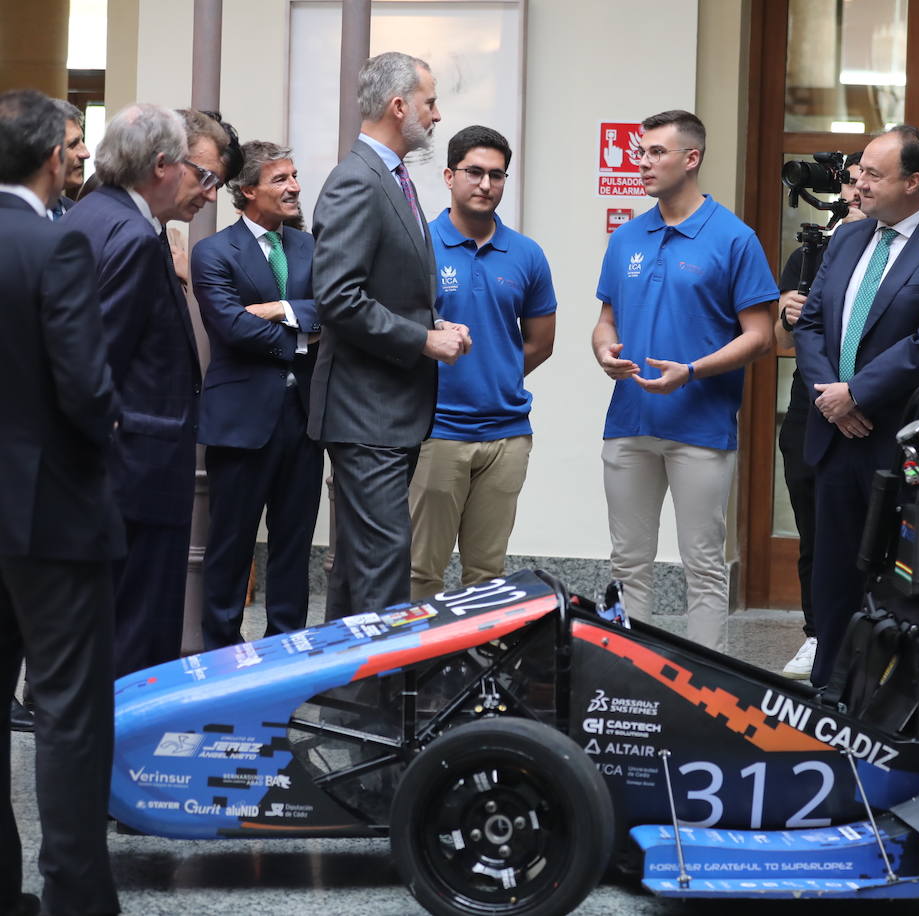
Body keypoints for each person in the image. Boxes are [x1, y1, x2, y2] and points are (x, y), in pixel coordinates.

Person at [793, 125, 919, 687]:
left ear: (914, 181)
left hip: (905, 442)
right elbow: (810, 325)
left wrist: (856, 393)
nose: (859, 184)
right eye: (859, 172)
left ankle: (895, 698)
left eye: (874, 175)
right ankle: (829, 689)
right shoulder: (849, 239)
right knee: (834, 578)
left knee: (904, 583)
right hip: (837, 436)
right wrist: (831, 396)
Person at [0, 87, 122, 916]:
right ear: (53, 159)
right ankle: (76, 896)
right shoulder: (56, 248)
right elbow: (85, 392)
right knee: (70, 713)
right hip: (52, 513)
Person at [592, 110, 776, 651]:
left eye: (655, 153)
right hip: (628, 423)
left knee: (702, 565)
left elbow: (760, 335)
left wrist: (691, 371)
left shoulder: (733, 238)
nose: (641, 162)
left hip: (701, 428)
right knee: (628, 562)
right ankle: (627, 676)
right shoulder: (627, 236)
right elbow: (606, 319)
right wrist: (604, 348)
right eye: (640, 152)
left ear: (690, 159)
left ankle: (706, 691)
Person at [62, 104, 235, 677]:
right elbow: (94, 365)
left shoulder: (91, 216)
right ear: (164, 165)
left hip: (116, 469)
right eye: (205, 177)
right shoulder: (134, 234)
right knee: (137, 637)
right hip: (135, 468)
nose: (210, 194)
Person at [310, 51, 470, 620]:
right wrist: (423, 341)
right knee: (383, 563)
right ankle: (379, 706)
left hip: (386, 410)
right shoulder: (357, 179)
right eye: (430, 103)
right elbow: (338, 298)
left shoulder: (390, 176)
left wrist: (431, 325)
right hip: (366, 411)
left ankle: (345, 700)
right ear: (399, 106)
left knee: (360, 566)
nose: (436, 116)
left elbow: (386, 291)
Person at [408, 126, 556, 597]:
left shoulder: (527, 254)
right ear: (449, 176)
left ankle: (476, 670)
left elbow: (538, 343)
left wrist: (494, 375)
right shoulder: (419, 244)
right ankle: (419, 671)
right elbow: (394, 330)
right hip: (436, 433)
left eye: (496, 175)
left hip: (506, 436)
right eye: (474, 172)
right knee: (419, 573)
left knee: (487, 577)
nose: (485, 184)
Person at [192, 141, 323, 649]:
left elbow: (333, 307)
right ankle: (220, 660)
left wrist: (280, 311)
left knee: (294, 548)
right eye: (280, 180)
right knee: (230, 548)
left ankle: (284, 658)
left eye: (294, 176)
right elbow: (230, 328)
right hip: (241, 423)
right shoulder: (214, 252)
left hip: (304, 420)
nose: (294, 188)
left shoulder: (310, 246)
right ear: (247, 191)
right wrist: (304, 333)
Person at [775, 156, 862, 679]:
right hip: (810, 406)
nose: (854, 191)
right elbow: (787, 338)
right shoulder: (809, 253)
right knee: (813, 530)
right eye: (849, 181)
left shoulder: (895, 254)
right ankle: (816, 634)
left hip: (867, 405)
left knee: (867, 531)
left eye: (863, 181)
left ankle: (869, 635)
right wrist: (788, 310)